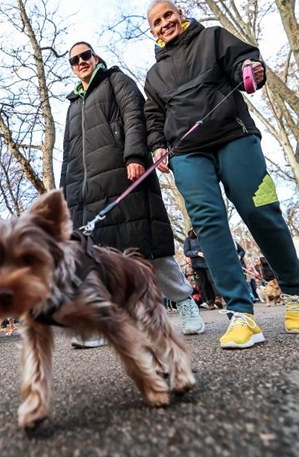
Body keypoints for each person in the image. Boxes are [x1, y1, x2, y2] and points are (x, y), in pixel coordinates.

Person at [143, 0, 299, 349]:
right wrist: (158, 146)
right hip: (187, 152)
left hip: (235, 137)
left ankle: (296, 293)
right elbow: (153, 118)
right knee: (208, 223)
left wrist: (250, 72)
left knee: (261, 211)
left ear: (180, 15)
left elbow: (243, 61)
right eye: (156, 22)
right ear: (153, 31)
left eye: (168, 15)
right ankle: (241, 314)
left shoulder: (214, 38)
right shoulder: (154, 75)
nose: (164, 24)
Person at [61, 42, 205, 349]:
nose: (81, 62)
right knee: (97, 258)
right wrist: (66, 194)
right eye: (74, 60)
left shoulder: (116, 80)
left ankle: (185, 301)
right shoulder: (73, 104)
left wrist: (135, 156)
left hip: (125, 174)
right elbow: (68, 155)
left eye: (85, 55)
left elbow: (134, 117)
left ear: (95, 57)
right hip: (87, 191)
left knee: (150, 248)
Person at [183, 229, 219, 309]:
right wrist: (197, 253)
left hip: (209, 262)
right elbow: (186, 252)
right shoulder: (188, 239)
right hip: (197, 265)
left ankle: (218, 298)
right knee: (204, 283)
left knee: (212, 280)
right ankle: (210, 300)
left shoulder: (205, 236)